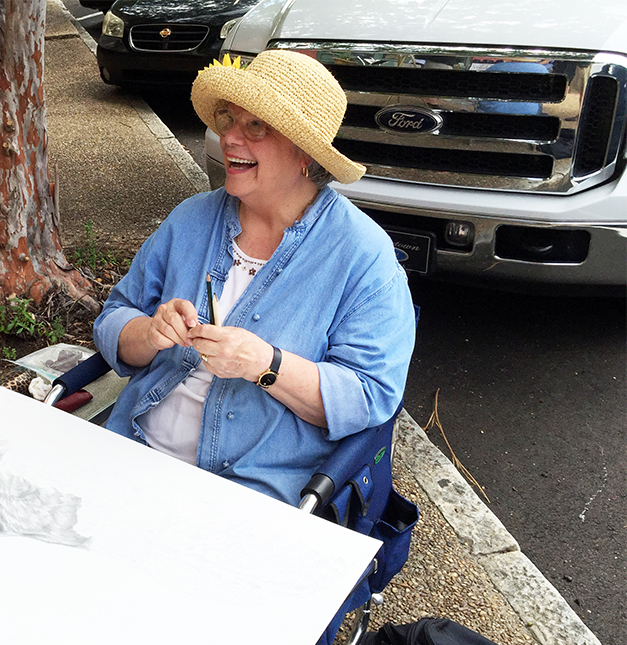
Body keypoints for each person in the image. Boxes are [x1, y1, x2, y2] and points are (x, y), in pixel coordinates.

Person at [93, 49, 415, 506]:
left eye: (256, 126)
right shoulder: (191, 220)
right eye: (229, 120)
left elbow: (370, 398)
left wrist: (267, 364)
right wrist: (149, 331)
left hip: (245, 494)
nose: (229, 139)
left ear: (305, 152)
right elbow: (113, 319)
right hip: (132, 451)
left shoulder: (363, 257)